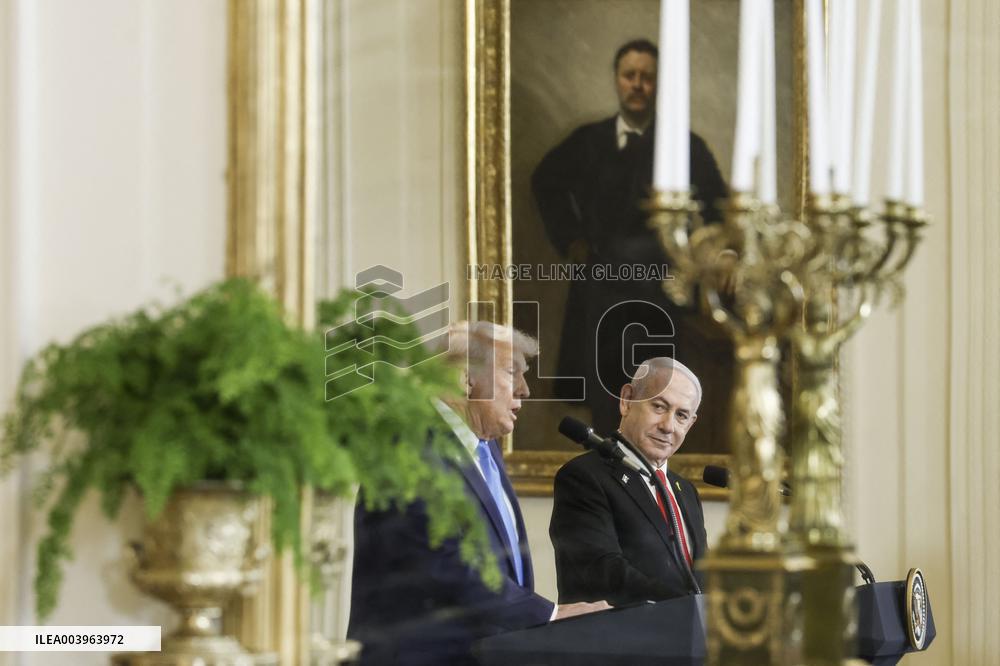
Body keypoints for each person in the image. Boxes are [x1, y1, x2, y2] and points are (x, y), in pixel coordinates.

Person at [348, 321, 609, 665]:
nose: (525, 390)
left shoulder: (484, 447)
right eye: (511, 372)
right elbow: (444, 566)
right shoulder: (407, 446)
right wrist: (550, 615)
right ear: (466, 380)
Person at [531, 38, 730, 438]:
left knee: (657, 396)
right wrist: (572, 240)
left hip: (660, 292)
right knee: (606, 399)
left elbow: (720, 208)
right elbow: (545, 181)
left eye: (648, 78)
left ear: (659, 85)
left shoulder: (685, 146)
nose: (638, 85)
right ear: (618, 81)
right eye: (630, 76)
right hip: (600, 289)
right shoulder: (589, 140)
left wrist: (721, 253)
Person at [549, 357, 709, 606]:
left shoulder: (686, 491)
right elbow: (600, 571)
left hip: (685, 641)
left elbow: (699, 577)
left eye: (681, 415)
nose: (668, 426)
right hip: (615, 641)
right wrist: (688, 604)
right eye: (659, 407)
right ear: (626, 400)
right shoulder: (584, 476)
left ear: (691, 423)